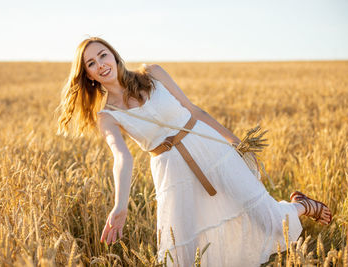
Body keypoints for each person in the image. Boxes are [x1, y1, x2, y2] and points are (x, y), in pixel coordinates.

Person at [57, 36, 332, 266]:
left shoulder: (152, 73)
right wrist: (120, 205)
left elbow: (193, 110)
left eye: (102, 55)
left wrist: (236, 143)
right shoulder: (108, 115)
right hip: (172, 172)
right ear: (88, 76)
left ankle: (301, 205)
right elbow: (122, 157)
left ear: (114, 56)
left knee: (263, 217)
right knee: (183, 248)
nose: (100, 65)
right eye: (91, 64)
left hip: (209, 148)